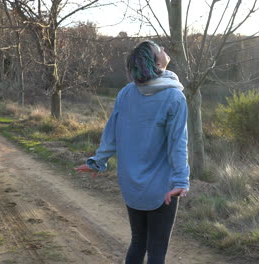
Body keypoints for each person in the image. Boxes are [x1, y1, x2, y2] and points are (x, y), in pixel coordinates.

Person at [75, 40, 190, 264]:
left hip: (130, 185)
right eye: (160, 50)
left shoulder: (126, 93)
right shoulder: (174, 97)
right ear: (156, 62)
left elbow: (111, 133)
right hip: (161, 189)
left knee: (138, 242)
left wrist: (98, 161)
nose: (165, 50)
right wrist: (181, 181)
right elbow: (178, 143)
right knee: (157, 251)